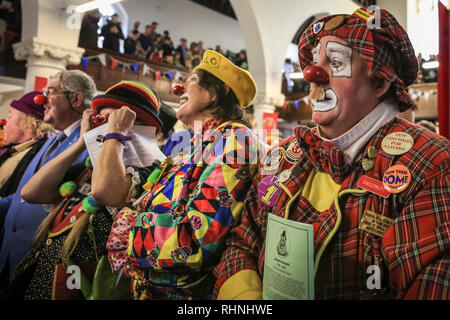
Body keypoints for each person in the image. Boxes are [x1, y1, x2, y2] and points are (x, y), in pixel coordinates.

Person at [214, 8, 450, 300]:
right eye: (314, 63)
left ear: (379, 83)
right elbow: (241, 241)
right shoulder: (284, 156)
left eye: (336, 62)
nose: (313, 75)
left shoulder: (432, 164)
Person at [101, 50, 261, 300]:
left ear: (215, 93)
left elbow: (197, 242)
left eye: (192, 81)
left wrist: (129, 230)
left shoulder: (236, 141)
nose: (179, 88)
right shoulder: (200, 145)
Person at [3, 81, 164, 300]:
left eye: (111, 122)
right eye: (101, 121)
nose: (104, 131)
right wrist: (81, 142)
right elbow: (31, 192)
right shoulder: (87, 169)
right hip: (39, 281)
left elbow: (103, 192)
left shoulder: (149, 174)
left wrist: (116, 132)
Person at [0, 70, 96, 288]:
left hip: (37, 261)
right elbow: (21, 195)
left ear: (76, 98)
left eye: (50, 93)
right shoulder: (49, 141)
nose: (40, 100)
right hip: (9, 252)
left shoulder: (87, 146)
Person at [0, 91, 53, 198]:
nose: (5, 122)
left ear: (28, 123)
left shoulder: (37, 156)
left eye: (10, 116)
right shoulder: (13, 150)